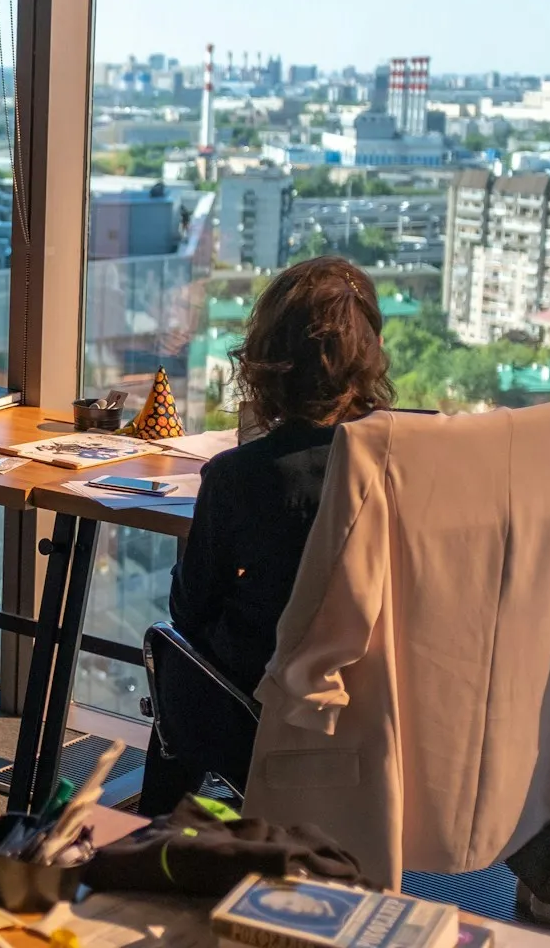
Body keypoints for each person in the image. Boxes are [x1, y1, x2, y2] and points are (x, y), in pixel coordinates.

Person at [139, 256, 395, 813]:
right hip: (391, 702)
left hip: (271, 708)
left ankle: (156, 853)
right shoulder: (413, 455)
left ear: (267, 360)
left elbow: (190, 610)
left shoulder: (240, 476)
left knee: (172, 644)